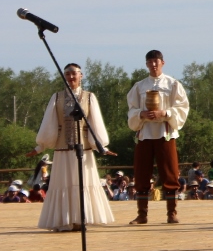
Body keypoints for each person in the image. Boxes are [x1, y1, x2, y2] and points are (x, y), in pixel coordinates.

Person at [26, 63, 115, 232]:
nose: (71, 77)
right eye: (67, 74)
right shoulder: (57, 98)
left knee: (82, 182)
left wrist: (101, 145)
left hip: (84, 150)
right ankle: (64, 220)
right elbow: (49, 124)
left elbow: (95, 123)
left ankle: (82, 219)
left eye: (74, 74)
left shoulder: (89, 97)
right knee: (64, 183)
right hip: (62, 150)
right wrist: (40, 147)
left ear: (81, 76)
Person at [127, 50, 190, 224]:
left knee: (169, 172)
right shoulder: (139, 86)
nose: (153, 65)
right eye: (150, 62)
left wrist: (165, 112)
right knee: (141, 173)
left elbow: (183, 107)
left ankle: (171, 213)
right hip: (145, 134)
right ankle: (142, 214)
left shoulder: (173, 84)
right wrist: (141, 114)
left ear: (163, 62)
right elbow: (131, 109)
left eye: (156, 61)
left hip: (165, 133)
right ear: (146, 64)